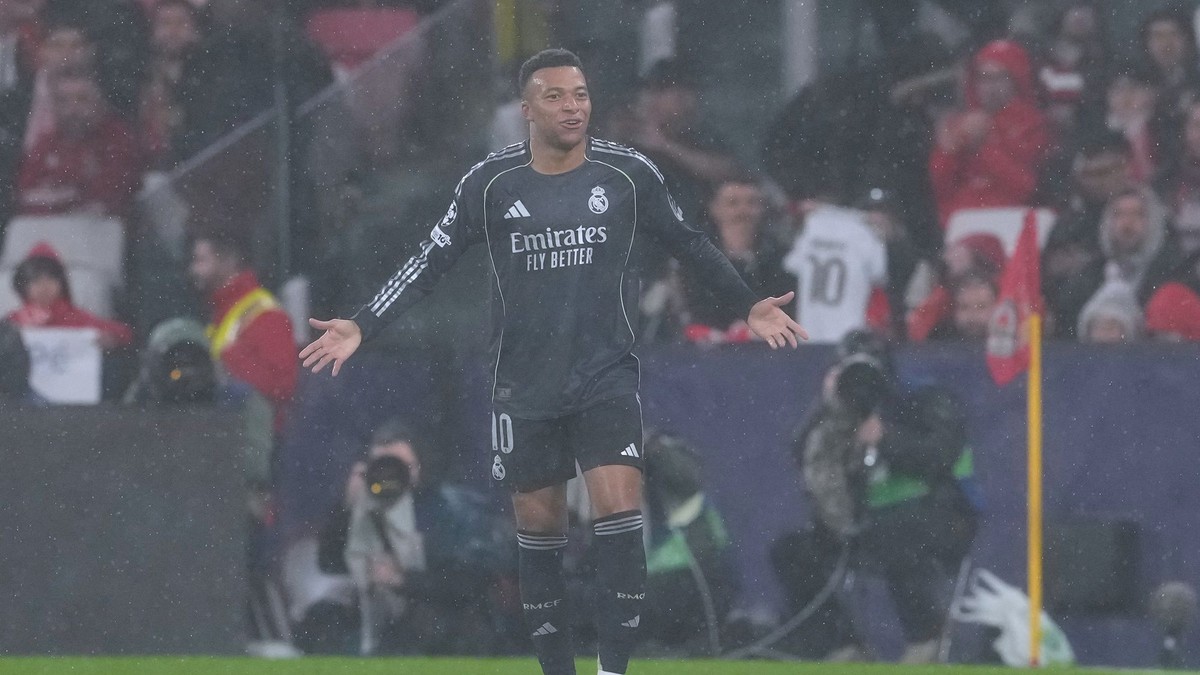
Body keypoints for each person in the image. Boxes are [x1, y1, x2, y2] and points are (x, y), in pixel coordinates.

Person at [299, 48, 807, 675]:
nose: (573, 107)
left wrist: (749, 302)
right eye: (557, 96)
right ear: (527, 108)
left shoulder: (627, 174)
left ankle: (612, 670)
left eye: (581, 95)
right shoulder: (489, 183)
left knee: (620, 519)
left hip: (605, 376)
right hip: (525, 385)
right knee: (540, 537)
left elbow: (690, 243)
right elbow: (427, 262)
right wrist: (362, 322)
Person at [771, 331, 978, 663]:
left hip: (945, 516)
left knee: (893, 530)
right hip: (875, 523)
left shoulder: (925, 397)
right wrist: (826, 406)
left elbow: (940, 456)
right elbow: (801, 453)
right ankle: (845, 644)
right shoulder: (842, 409)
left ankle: (926, 636)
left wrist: (885, 437)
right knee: (792, 551)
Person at [929, 39, 1050, 227]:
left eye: (999, 77)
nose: (990, 86)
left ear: (1017, 79)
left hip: (1013, 219)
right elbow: (941, 187)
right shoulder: (961, 123)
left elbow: (1025, 188)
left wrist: (983, 147)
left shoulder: (1034, 124)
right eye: (983, 78)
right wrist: (949, 150)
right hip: (962, 221)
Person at [15, 70, 141, 218]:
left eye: (82, 99)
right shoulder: (46, 142)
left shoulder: (118, 138)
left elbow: (114, 195)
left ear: (99, 101)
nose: (72, 109)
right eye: (64, 101)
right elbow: (24, 196)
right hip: (50, 232)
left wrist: (60, 194)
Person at [6, 241, 132, 348]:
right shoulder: (12, 323)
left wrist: (110, 338)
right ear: (23, 286)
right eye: (36, 280)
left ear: (62, 284)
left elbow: (124, 333)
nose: (44, 286)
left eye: (51, 279)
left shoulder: (76, 317)